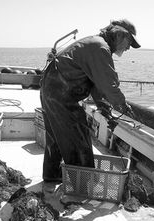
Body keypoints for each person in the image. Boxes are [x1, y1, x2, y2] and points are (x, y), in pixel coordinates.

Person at [40, 19, 141, 183]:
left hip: (51, 90)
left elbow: (96, 85)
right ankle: (83, 184)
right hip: (61, 94)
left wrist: (106, 110)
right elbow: (109, 85)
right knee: (79, 137)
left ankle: (52, 174)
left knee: (56, 136)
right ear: (119, 35)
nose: (129, 47)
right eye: (129, 41)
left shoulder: (95, 44)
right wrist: (122, 105)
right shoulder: (100, 48)